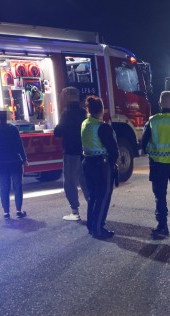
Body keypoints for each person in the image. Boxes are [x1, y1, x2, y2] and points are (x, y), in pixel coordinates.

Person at [141, 91, 170, 237]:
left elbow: (144, 145)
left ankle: (162, 227)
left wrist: (153, 151)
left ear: (160, 104)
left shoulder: (153, 121)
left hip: (158, 165)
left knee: (160, 196)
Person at [81, 96, 119, 239]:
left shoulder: (85, 123)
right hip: (101, 164)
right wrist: (114, 162)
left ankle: (91, 226)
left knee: (93, 196)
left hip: (87, 162)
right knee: (103, 196)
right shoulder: (103, 127)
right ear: (102, 110)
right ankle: (98, 228)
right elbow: (113, 149)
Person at [54, 87, 89, 221]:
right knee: (85, 181)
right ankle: (92, 206)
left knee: (70, 182)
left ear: (68, 97)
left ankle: (75, 211)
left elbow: (58, 132)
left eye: (63, 95)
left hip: (70, 152)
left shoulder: (66, 114)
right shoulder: (83, 112)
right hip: (84, 152)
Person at [0, 109, 28, 219]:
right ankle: (19, 211)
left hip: (1, 163)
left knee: (4, 188)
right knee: (17, 187)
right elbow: (20, 145)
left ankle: (6, 213)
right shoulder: (13, 129)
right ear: (6, 118)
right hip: (15, 161)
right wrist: (24, 159)